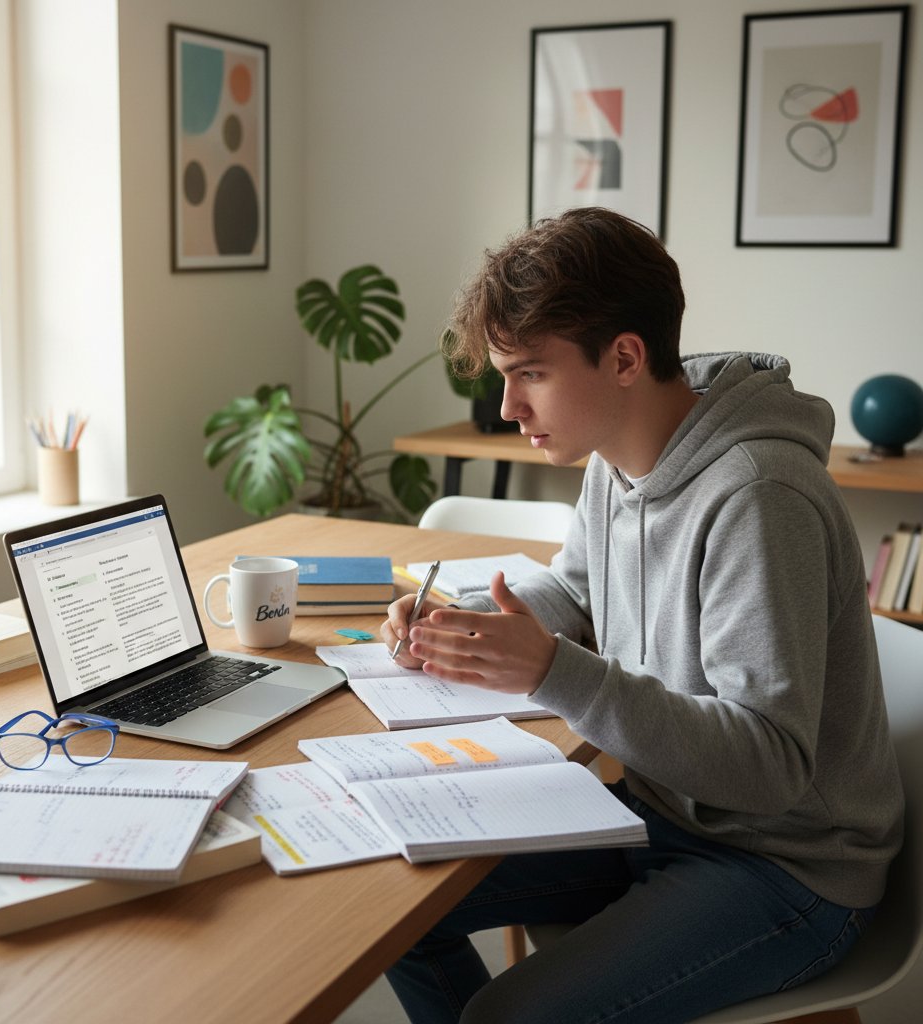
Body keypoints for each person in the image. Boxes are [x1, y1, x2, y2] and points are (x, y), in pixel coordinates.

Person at [380, 207, 903, 1024]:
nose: (509, 405)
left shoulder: (758, 496)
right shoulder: (615, 459)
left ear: (624, 357)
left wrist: (553, 671)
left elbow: (769, 767)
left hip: (784, 865)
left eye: (530, 373)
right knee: (393, 913)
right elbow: (578, 593)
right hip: (661, 812)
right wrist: (465, 624)